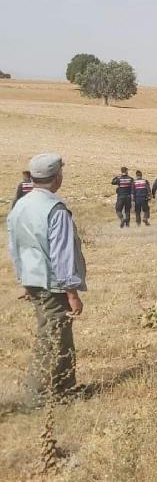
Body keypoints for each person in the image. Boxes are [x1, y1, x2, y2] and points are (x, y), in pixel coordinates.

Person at [7, 153, 86, 406]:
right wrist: (72, 292)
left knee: (60, 335)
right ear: (58, 177)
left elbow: (15, 246)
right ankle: (38, 397)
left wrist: (24, 280)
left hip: (34, 280)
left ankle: (63, 388)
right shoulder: (55, 209)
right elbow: (62, 253)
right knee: (51, 339)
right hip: (53, 284)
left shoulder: (20, 205)